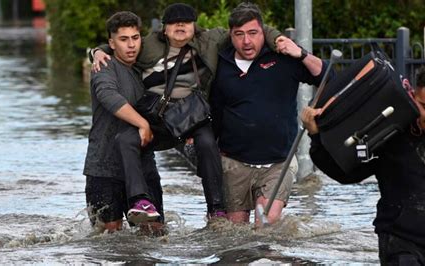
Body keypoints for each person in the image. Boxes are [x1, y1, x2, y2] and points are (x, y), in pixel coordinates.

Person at [91, 3, 282, 223]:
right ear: (164, 29)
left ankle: (216, 208)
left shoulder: (209, 40)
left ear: (194, 27)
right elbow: (120, 44)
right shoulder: (147, 45)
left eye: (186, 22)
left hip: (192, 114)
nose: (180, 25)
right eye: (173, 22)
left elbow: (251, 28)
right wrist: (96, 52)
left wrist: (278, 39)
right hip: (157, 116)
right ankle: (139, 200)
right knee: (125, 138)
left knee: (208, 143)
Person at [302, 65, 425, 264]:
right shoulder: (391, 131)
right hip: (402, 244)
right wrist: (316, 137)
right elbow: (346, 173)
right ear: (414, 96)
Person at [210, 2, 327, 226]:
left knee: (266, 224)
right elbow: (215, 110)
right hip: (234, 163)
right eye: (239, 34)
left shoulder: (283, 59)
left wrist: (301, 53)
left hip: (278, 162)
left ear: (263, 33)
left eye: (253, 33)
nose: (246, 41)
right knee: (235, 235)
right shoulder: (220, 63)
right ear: (231, 36)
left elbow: (325, 75)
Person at [84, 11, 162, 234]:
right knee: (108, 238)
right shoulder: (103, 66)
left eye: (135, 38)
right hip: (104, 166)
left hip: (143, 163)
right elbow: (108, 96)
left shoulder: (145, 66)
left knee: (156, 232)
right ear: (112, 42)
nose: (131, 45)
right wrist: (142, 124)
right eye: (123, 39)